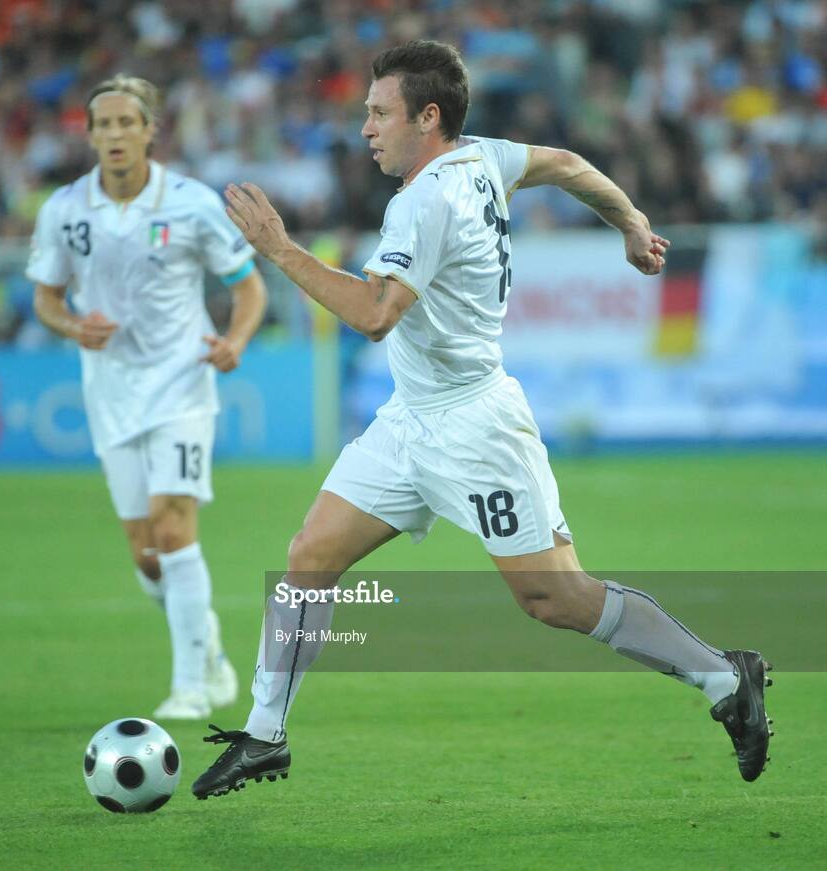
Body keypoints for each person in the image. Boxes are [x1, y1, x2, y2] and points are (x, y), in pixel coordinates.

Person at [191, 41, 772, 798]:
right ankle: (265, 735)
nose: (364, 127)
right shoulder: (481, 157)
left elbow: (373, 314)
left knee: (554, 598)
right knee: (311, 554)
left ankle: (726, 677)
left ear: (427, 117)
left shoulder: (425, 200)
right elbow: (563, 163)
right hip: (411, 419)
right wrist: (629, 219)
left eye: (378, 112)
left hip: (475, 427)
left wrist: (280, 250)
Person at [27, 75, 268, 720]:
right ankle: (208, 647)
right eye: (101, 125)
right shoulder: (65, 211)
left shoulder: (190, 204)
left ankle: (192, 684)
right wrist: (77, 327)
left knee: (173, 525)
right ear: (90, 136)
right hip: (110, 394)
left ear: (149, 130)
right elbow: (46, 299)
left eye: (125, 123)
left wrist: (236, 341)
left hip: (183, 385)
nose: (114, 135)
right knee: (146, 553)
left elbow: (248, 289)